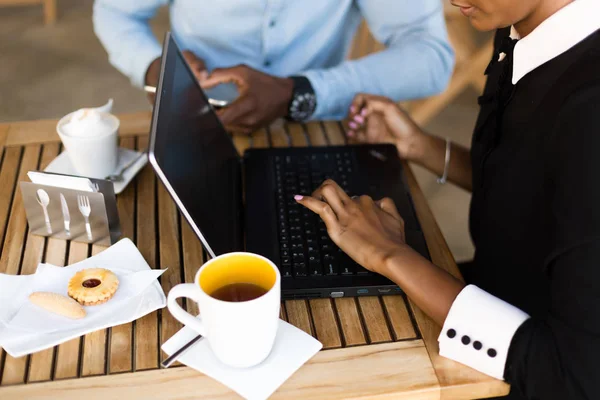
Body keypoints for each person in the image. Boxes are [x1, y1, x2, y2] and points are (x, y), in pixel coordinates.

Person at [295, 0, 600, 399]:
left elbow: (572, 377)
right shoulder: (520, 28)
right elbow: (537, 188)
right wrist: (421, 146)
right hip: (489, 288)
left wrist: (391, 255)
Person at [92, 0, 454, 134]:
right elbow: (114, 11)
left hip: (315, 126)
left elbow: (430, 56)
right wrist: (154, 66)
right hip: (194, 119)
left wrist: (300, 92)